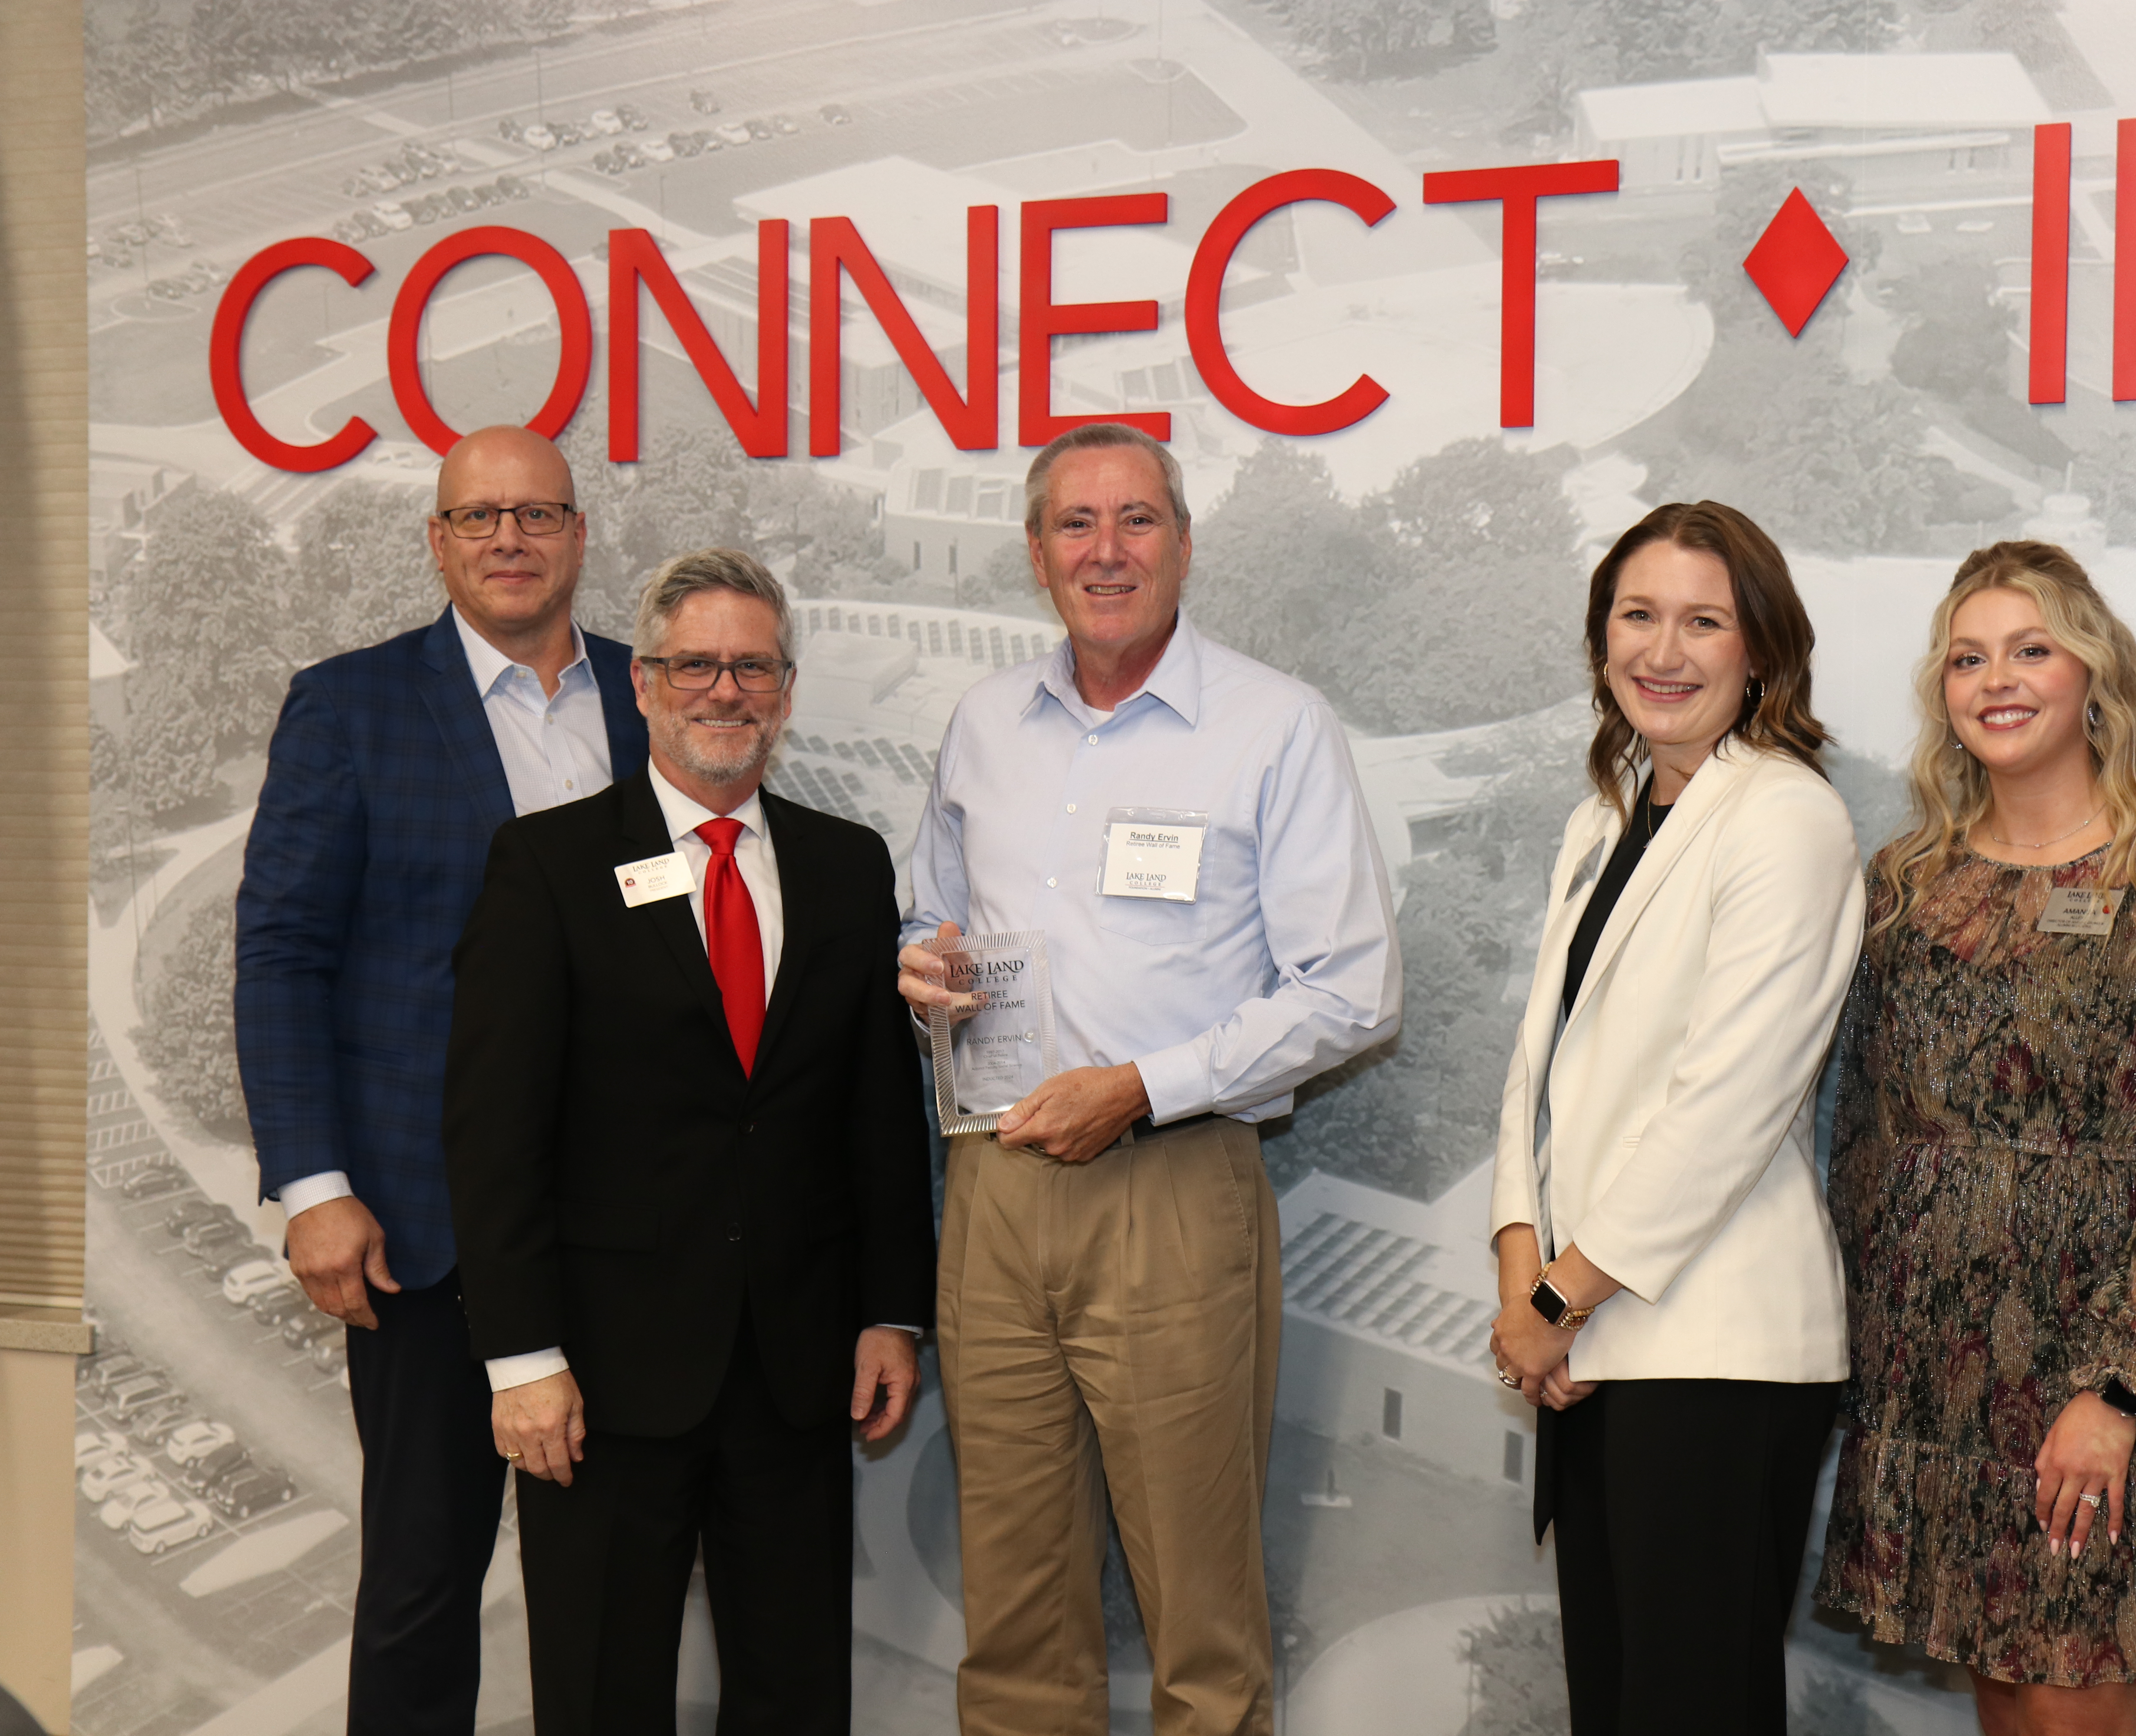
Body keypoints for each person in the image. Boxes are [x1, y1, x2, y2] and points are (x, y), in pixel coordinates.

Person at [895, 422, 1401, 1736]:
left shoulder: (1273, 725)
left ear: (1183, 543)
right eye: (1076, 524)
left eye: (1135, 522)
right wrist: (920, 963)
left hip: (1173, 1187)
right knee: (1013, 1601)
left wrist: (1144, 1084)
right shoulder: (984, 723)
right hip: (994, 1189)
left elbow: (1351, 990)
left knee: (1199, 1615)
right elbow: (924, 914)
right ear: (1035, 551)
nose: (1105, 552)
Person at [443, 549, 935, 1735]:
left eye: (752, 667)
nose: (727, 691)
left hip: (796, 1368)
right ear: (646, 687)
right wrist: (521, 1360)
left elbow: (878, 1112)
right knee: (604, 1692)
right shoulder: (547, 868)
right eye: (697, 666)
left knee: (795, 1692)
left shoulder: (847, 865)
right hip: (601, 1384)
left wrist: (890, 1310)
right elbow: (494, 1132)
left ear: (787, 689)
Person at [1815, 542, 2136, 1736]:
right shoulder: (1906, 883)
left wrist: (2118, 1390)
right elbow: (1865, 1131)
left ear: (2094, 673)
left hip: (2108, 1379)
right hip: (1934, 1382)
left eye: (2032, 648)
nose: (1997, 679)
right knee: (2010, 1711)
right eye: (1968, 657)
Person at [235, 425, 648, 1736]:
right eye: (480, 518)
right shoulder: (350, 706)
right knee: (423, 1581)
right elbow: (285, 953)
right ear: (438, 542)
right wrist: (314, 1185)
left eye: (538, 515)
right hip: (424, 1230)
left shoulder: (655, 699)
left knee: (611, 1588)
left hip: (625, 1230)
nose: (511, 540)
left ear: (581, 535)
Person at [1487, 500, 1864, 1735]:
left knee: (1691, 1707)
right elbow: (1536, 1079)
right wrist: (1520, 1270)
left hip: (1715, 1348)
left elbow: (1728, 1107)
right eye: (1638, 616)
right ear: (1601, 641)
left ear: (1761, 649)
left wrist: (1554, 1303)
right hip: (1596, 1338)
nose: (1666, 650)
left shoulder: (1787, 819)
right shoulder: (1602, 821)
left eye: (1705, 621)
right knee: (1619, 1699)